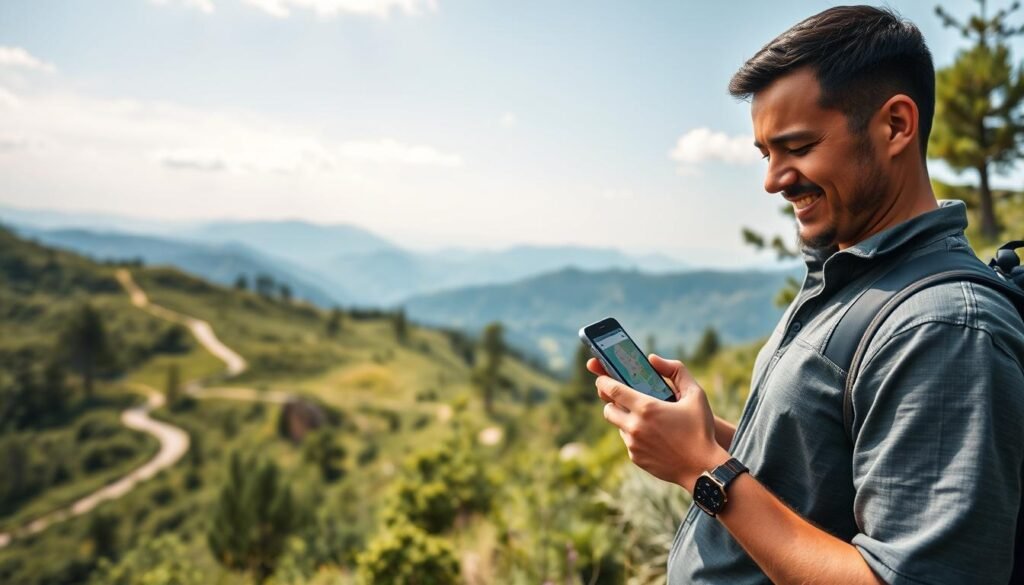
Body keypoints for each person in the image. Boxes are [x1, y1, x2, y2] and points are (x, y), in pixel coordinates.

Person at [588, 6, 1024, 584]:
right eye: (766, 154)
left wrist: (701, 469)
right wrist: (701, 435)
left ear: (895, 126)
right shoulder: (848, 275)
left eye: (796, 146)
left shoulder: (942, 328)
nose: (772, 179)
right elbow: (813, 467)